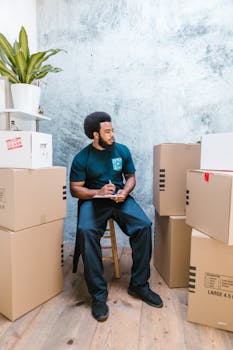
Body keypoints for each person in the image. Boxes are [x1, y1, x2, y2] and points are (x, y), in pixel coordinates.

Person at [70, 111, 163, 322]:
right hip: (94, 201)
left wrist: (124, 192)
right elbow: (76, 189)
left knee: (143, 225)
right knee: (86, 231)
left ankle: (139, 285)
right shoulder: (82, 158)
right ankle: (98, 296)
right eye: (107, 131)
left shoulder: (122, 150)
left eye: (112, 130)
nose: (112, 135)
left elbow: (130, 177)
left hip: (120, 199)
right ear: (95, 134)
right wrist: (98, 193)